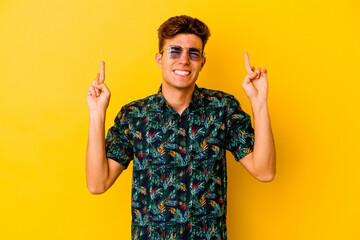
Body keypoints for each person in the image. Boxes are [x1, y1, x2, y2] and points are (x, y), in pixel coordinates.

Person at [86, 15, 276, 240]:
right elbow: (97, 183)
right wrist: (97, 115)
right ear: (160, 58)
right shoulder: (134, 116)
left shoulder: (222, 109)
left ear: (202, 62)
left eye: (193, 53)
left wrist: (259, 103)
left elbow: (264, 171)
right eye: (174, 51)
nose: (184, 60)